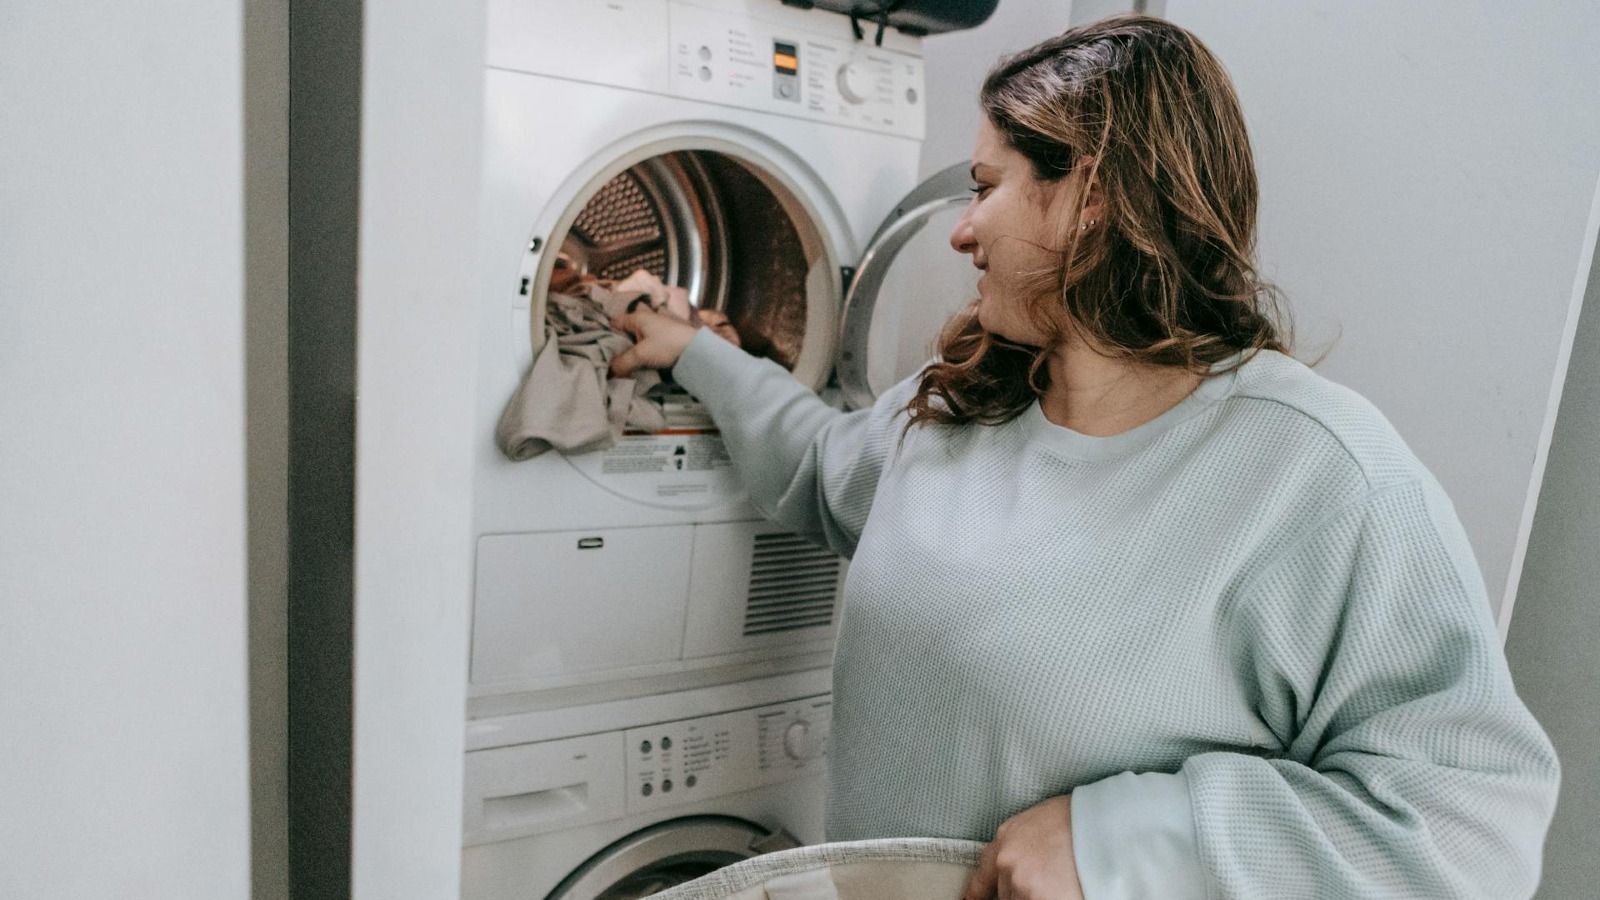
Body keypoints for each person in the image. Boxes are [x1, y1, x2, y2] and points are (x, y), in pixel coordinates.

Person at [609, 15, 1559, 900]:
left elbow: (1470, 826)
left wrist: (1126, 839)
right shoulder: (962, 405)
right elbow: (816, 464)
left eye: (986, 188)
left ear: (1093, 196)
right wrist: (697, 350)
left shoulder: (1316, 474)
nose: (961, 229)